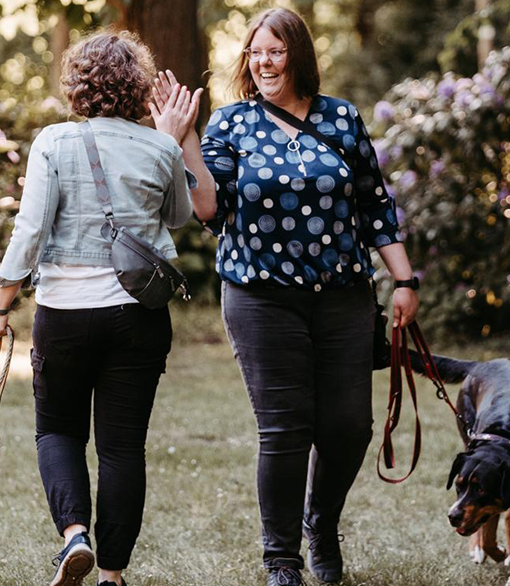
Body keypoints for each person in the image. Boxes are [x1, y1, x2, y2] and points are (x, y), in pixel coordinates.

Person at [156, 8, 420, 586]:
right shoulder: (231, 124)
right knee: (285, 427)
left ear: (297, 55)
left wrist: (404, 280)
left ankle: (320, 524)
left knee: (350, 426)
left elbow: (376, 205)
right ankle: (282, 561)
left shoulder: (342, 118)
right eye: (256, 52)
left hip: (344, 293)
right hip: (260, 296)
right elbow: (209, 210)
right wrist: (186, 141)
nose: (265, 62)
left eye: (276, 51)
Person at [0, 30, 202, 586]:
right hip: (138, 315)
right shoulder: (158, 146)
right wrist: (171, 142)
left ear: (78, 86)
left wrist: (1, 301)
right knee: (123, 447)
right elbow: (179, 215)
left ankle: (74, 536)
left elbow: (29, 230)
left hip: (65, 314)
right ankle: (111, 574)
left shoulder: (54, 142)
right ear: (139, 89)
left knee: (57, 431)